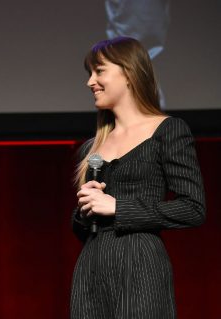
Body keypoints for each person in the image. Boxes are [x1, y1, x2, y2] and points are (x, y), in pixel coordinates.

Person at [70, 37, 205, 318]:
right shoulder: (91, 148)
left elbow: (193, 208)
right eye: (89, 73)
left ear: (128, 73)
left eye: (99, 71)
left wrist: (119, 207)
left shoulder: (167, 131)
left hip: (140, 264)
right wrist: (84, 212)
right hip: (91, 268)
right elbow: (82, 228)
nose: (90, 82)